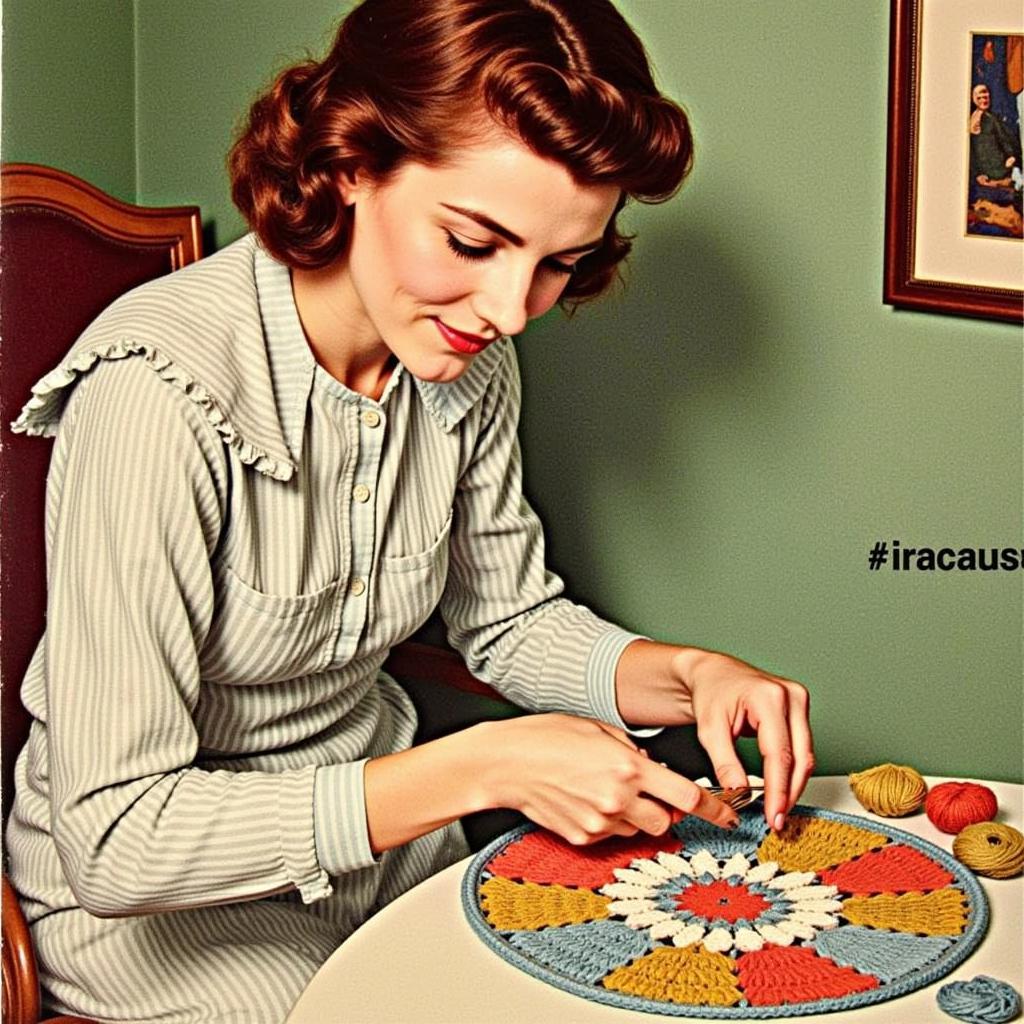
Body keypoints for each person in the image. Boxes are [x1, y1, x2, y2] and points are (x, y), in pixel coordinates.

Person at [6, 1, 813, 1021]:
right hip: (159, 912)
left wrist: (688, 674)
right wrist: (481, 767)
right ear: (350, 161)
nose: (511, 308)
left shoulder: (466, 361)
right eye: (474, 239)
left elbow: (510, 622)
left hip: (387, 853)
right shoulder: (158, 393)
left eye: (559, 262)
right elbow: (120, 840)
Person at [969, 82, 1021, 187]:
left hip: (999, 167)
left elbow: (1004, 138)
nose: (984, 101)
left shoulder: (992, 119)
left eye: (986, 97)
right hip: (983, 169)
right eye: (980, 98)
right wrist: (977, 173)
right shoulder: (972, 119)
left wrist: (1011, 156)